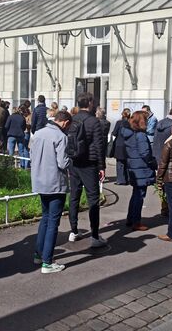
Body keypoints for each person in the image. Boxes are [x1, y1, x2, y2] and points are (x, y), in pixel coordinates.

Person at [31, 110, 72, 273]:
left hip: (40, 181)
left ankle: (38, 254)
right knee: (53, 223)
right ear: (65, 123)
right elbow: (62, 163)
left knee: (45, 218)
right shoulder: (61, 137)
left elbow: (32, 154)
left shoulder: (38, 133)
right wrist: (71, 161)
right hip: (55, 183)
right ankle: (47, 262)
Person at [68, 92, 107, 247]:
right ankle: (95, 235)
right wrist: (101, 166)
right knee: (93, 199)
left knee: (74, 196)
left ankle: (73, 230)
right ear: (90, 103)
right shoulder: (94, 121)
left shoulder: (72, 119)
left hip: (74, 162)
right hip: (89, 163)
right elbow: (99, 146)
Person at [120, 111, 158, 230]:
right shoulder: (140, 135)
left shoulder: (130, 133)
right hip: (142, 168)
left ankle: (130, 219)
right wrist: (152, 162)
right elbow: (145, 152)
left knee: (136, 194)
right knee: (139, 196)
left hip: (134, 166)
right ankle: (136, 222)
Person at [112, 108, 132, 185]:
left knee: (120, 163)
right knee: (128, 162)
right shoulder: (131, 123)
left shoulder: (119, 123)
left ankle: (121, 180)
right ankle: (128, 179)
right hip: (129, 145)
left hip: (119, 145)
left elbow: (114, 133)